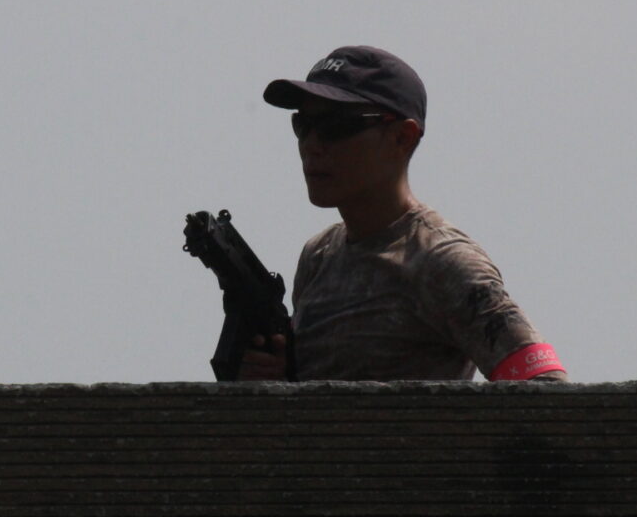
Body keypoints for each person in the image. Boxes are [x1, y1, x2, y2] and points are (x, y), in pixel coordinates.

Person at [239, 45, 567, 382]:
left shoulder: (442, 261)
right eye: (303, 124)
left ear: (402, 138)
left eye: (336, 126)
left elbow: (546, 388)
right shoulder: (319, 256)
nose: (311, 144)